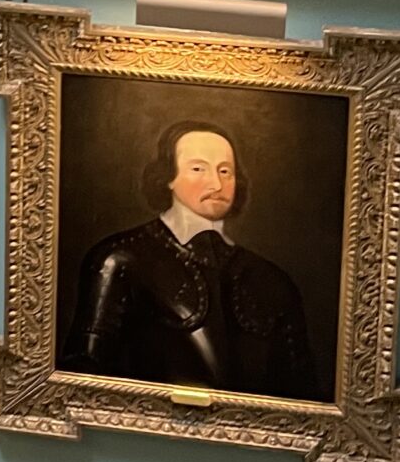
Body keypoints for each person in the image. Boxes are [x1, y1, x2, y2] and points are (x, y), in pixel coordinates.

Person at [60, 122, 316, 398]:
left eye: (225, 171)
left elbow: (302, 396)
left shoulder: (273, 281)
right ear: (168, 177)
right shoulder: (118, 261)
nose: (216, 184)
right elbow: (84, 383)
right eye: (198, 169)